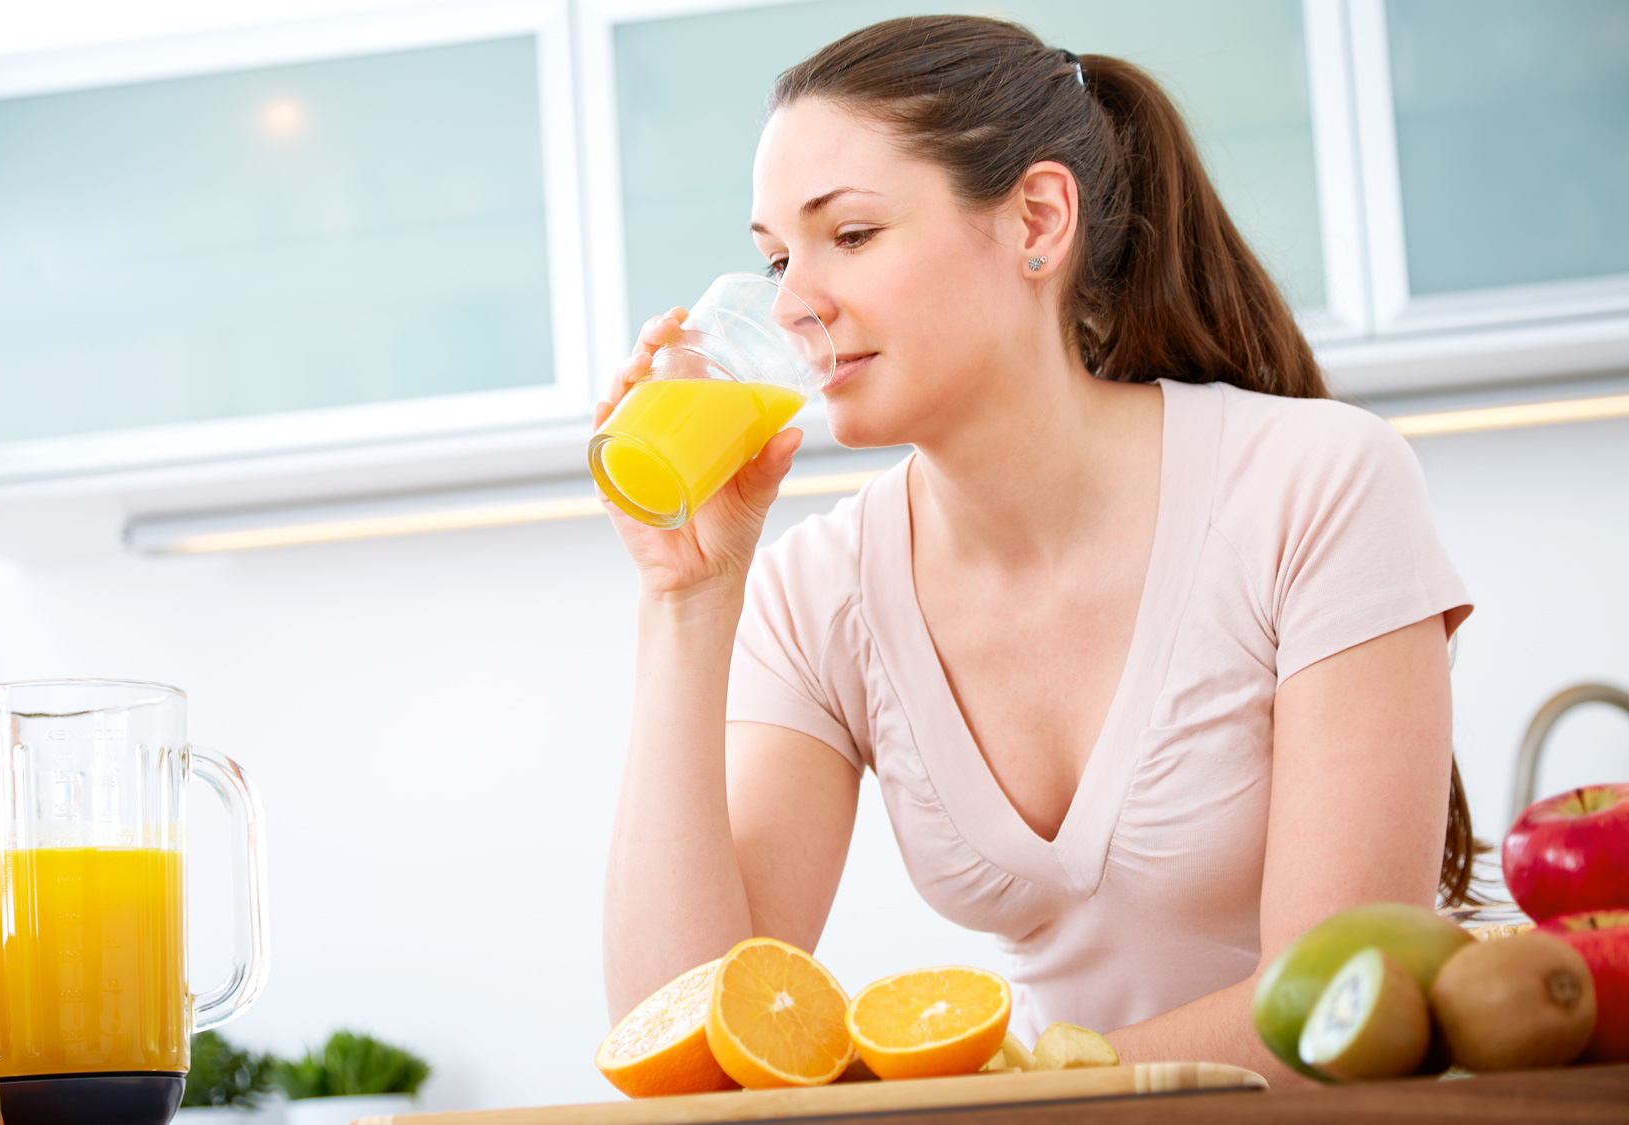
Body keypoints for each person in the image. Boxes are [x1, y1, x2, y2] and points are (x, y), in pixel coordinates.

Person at [595, 15, 1475, 1084]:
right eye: (777, 256)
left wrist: (990, 1089)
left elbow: (1342, 1002)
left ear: (1036, 221)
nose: (792, 304)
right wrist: (685, 600)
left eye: (852, 236)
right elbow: (680, 1046)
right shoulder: (816, 590)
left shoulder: (1313, 483)